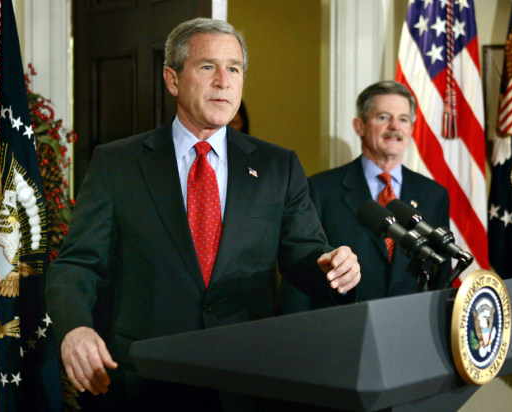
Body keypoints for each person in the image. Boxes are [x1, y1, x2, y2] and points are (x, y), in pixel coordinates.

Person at [45, 18, 361, 411]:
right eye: (207, 67)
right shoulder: (117, 163)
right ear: (172, 79)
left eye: (234, 69)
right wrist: (75, 329)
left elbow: (305, 254)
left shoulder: (278, 166)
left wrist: (332, 267)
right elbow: (78, 264)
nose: (224, 81)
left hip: (245, 381)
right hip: (143, 382)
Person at [278, 80, 450, 313]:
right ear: (360, 126)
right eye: (383, 117)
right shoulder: (320, 189)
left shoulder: (434, 194)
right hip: (344, 330)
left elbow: (442, 277)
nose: (395, 127)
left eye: (403, 119)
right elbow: (300, 273)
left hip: (412, 328)